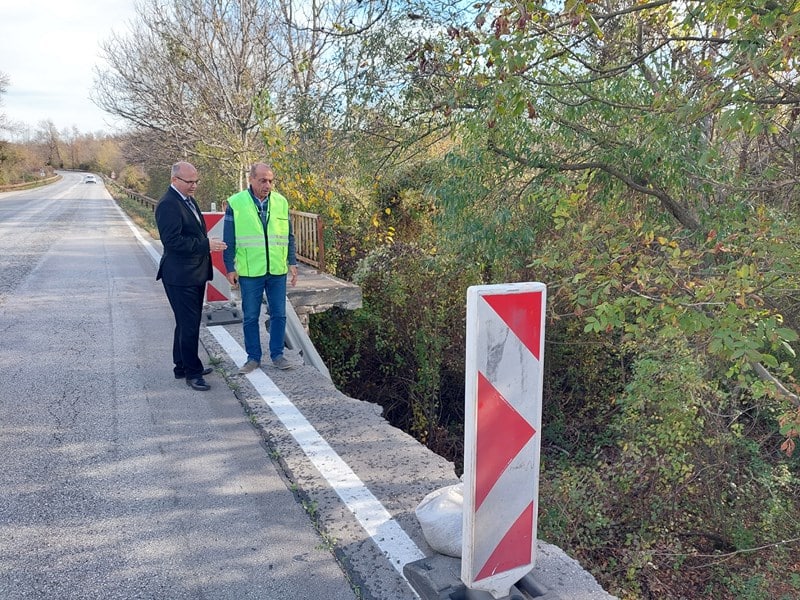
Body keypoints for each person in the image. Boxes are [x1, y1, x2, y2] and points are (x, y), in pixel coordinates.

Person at [155, 161, 227, 391]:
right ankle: (193, 373)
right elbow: (172, 242)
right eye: (189, 182)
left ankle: (182, 366)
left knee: (185, 323)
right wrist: (206, 245)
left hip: (193, 273)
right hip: (180, 276)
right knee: (189, 324)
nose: (194, 186)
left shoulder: (187, 199)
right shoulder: (168, 204)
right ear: (175, 180)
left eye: (196, 181)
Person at [223, 163, 298, 373]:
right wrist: (229, 266)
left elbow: (288, 236)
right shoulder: (236, 203)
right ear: (251, 180)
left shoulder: (281, 202)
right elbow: (228, 238)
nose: (268, 185)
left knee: (279, 314)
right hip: (250, 271)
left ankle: (277, 356)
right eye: (263, 180)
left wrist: (292, 262)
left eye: (271, 181)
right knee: (250, 316)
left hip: (276, 269)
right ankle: (253, 358)